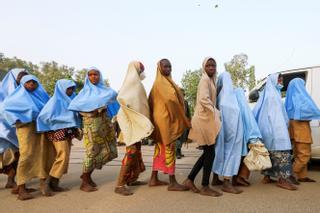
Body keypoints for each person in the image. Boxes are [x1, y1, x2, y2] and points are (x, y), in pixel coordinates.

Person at [1, 75, 53, 200]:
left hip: (40, 129)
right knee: (26, 155)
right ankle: (21, 188)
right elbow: (6, 110)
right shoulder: (15, 97)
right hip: (25, 129)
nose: (31, 85)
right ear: (23, 83)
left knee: (42, 154)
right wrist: (21, 119)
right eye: (28, 82)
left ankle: (42, 184)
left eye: (34, 82)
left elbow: (49, 109)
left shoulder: (41, 96)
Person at [68, 67, 118, 192]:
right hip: (91, 127)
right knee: (91, 152)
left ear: (99, 76)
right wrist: (92, 111)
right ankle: (84, 181)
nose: (93, 77)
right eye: (90, 75)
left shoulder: (105, 91)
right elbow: (76, 107)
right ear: (87, 77)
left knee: (106, 150)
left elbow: (114, 96)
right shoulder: (84, 93)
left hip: (104, 125)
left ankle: (88, 176)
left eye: (95, 74)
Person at [148, 59, 191, 191]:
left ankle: (153, 178)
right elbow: (171, 100)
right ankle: (172, 182)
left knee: (159, 150)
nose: (168, 69)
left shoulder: (160, 83)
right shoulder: (162, 84)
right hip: (166, 122)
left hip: (160, 121)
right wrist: (182, 117)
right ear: (159, 68)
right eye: (165, 66)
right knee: (169, 149)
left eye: (170, 66)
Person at [183, 57, 222, 197]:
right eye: (208, 65)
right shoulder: (204, 80)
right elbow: (203, 99)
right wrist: (216, 111)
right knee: (210, 152)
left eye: (213, 65)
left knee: (208, 152)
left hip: (206, 119)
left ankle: (190, 179)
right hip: (202, 119)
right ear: (204, 67)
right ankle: (205, 186)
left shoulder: (211, 80)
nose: (211, 67)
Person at [114, 61, 154, 196]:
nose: (142, 72)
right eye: (140, 70)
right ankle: (119, 184)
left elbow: (141, 104)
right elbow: (123, 100)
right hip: (130, 122)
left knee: (137, 151)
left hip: (135, 122)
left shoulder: (137, 84)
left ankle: (131, 178)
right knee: (131, 151)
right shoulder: (132, 84)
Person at [253, 73, 297, 190]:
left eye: (281, 79)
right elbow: (276, 117)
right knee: (283, 154)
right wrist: (281, 130)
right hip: (276, 130)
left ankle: (267, 177)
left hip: (269, 131)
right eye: (279, 79)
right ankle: (282, 180)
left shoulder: (269, 94)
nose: (281, 81)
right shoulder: (273, 96)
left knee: (271, 154)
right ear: (273, 81)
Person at [37, 79, 81, 192]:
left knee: (65, 157)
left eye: (72, 88)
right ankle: (46, 182)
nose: (71, 91)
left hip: (68, 132)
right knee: (63, 155)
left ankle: (55, 183)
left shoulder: (71, 101)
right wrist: (62, 121)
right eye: (68, 88)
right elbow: (43, 117)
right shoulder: (54, 101)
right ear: (61, 88)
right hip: (57, 131)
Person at [212, 71, 244, 194]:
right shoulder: (231, 99)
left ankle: (215, 178)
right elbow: (234, 119)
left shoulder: (218, 97)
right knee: (231, 154)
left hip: (219, 133)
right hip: (231, 134)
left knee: (218, 153)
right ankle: (226, 182)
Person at [285, 78, 320, 182]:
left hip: (293, 128)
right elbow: (310, 112)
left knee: (298, 153)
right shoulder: (301, 99)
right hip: (301, 129)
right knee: (305, 154)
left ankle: (302, 176)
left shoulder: (290, 99)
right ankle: (290, 175)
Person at [0, 69, 28, 189]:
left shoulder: (23, 91)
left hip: (16, 130)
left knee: (16, 156)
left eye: (24, 76)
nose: (22, 78)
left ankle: (11, 180)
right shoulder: (1, 90)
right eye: (20, 76)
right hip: (2, 129)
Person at [233, 88, 263, 186]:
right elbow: (250, 123)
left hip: (237, 136)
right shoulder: (244, 107)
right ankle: (240, 177)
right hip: (245, 136)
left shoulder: (233, 106)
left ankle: (236, 177)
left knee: (238, 157)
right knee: (245, 156)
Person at [176, 88, 191, 159]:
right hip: (177, 123)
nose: (182, 95)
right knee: (178, 138)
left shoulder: (185, 102)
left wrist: (189, 121)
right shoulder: (176, 102)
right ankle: (177, 152)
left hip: (184, 123)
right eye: (181, 94)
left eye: (183, 94)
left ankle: (179, 151)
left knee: (182, 138)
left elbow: (188, 112)